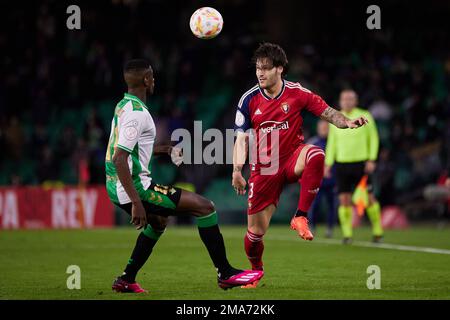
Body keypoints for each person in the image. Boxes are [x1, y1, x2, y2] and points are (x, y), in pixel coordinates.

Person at [106, 59, 262, 293]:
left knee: (158, 222)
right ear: (146, 80)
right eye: (152, 76)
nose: (154, 80)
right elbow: (119, 158)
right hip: (134, 188)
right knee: (205, 207)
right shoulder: (137, 114)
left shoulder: (124, 106)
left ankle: (127, 279)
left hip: (117, 185)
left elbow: (132, 151)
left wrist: (166, 150)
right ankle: (225, 273)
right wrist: (137, 202)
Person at [232, 43, 368, 288]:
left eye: (265, 68)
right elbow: (241, 138)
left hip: (294, 157)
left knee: (316, 154)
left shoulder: (297, 92)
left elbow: (327, 112)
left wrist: (347, 122)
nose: (260, 73)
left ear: (280, 69)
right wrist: (236, 170)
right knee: (254, 236)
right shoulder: (248, 99)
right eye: (257, 69)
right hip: (265, 169)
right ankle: (255, 272)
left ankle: (301, 216)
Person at [325, 89, 383, 244]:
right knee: (344, 199)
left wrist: (372, 159)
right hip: (342, 163)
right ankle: (347, 234)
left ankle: (377, 231)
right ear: (340, 101)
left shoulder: (365, 115)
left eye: (350, 98)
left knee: (369, 198)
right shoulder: (336, 118)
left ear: (355, 101)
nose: (347, 101)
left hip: (361, 163)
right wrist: (328, 163)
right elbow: (332, 142)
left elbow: (374, 138)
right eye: (344, 99)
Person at [307, 120, 336, 238]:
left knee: (332, 205)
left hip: (332, 180)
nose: (324, 130)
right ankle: (312, 226)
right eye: (322, 128)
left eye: (326, 128)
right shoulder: (313, 142)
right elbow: (306, 160)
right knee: (315, 205)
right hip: (316, 181)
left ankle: (329, 228)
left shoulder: (335, 142)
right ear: (318, 129)